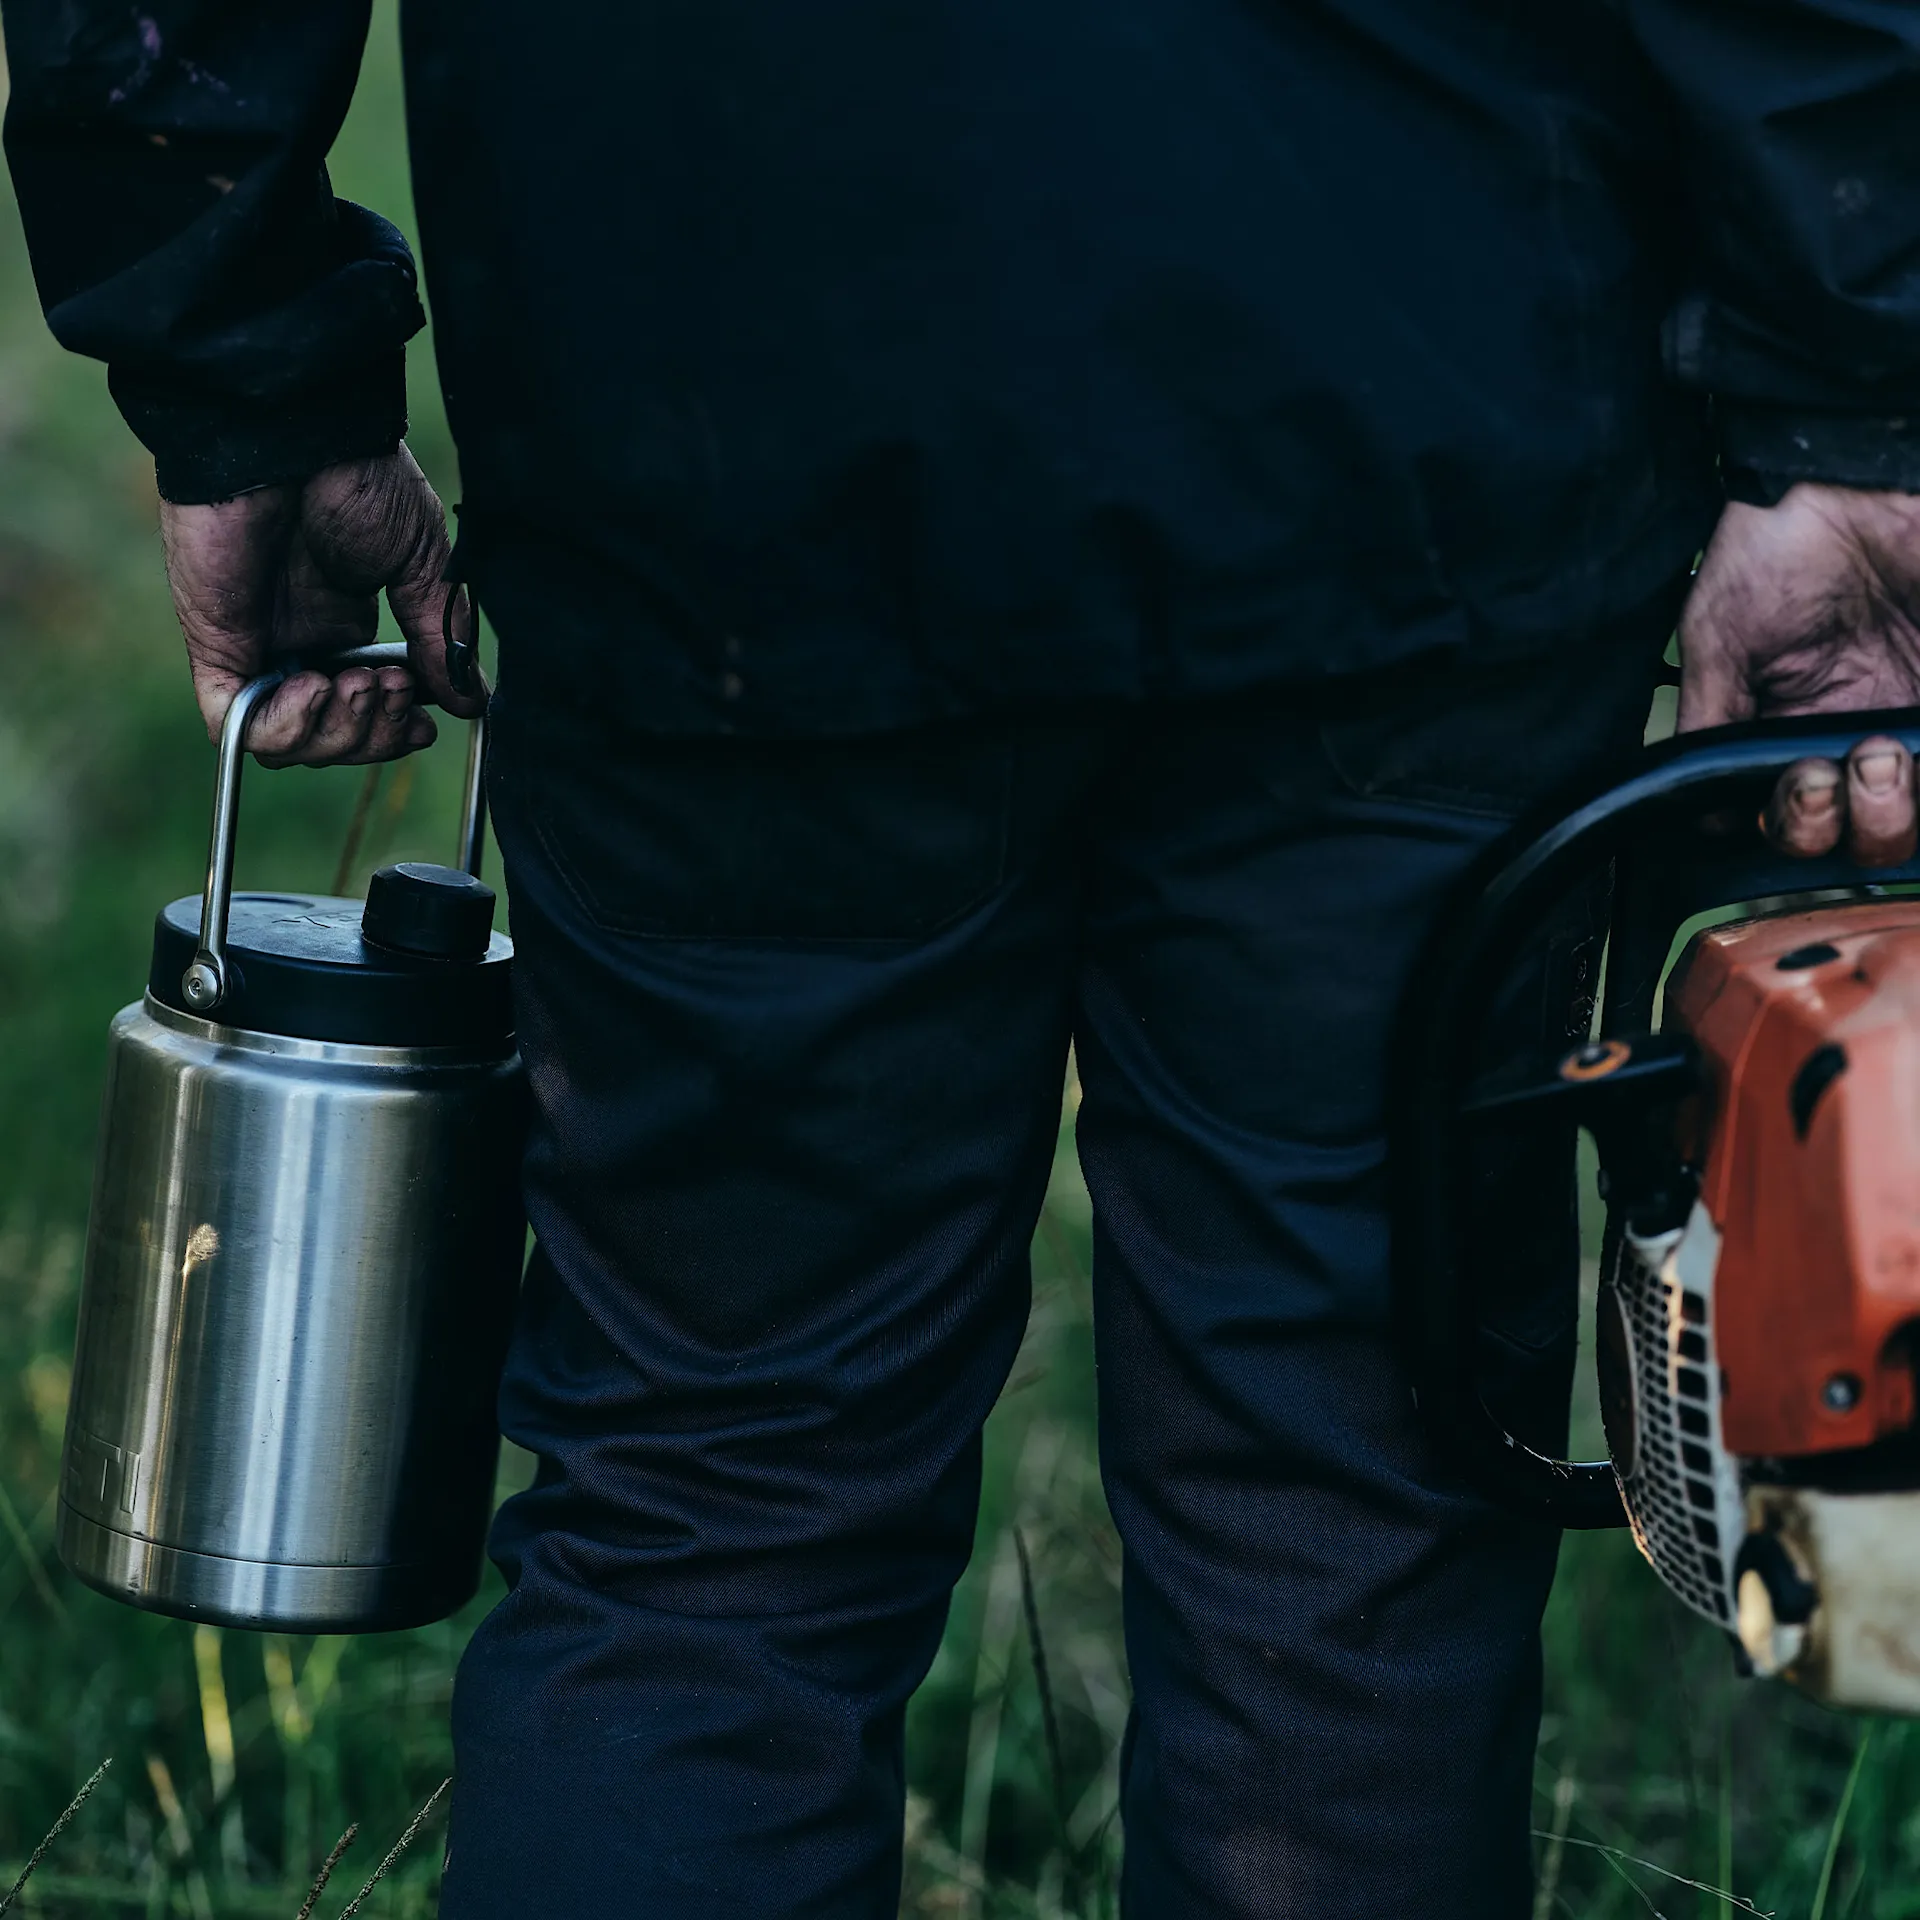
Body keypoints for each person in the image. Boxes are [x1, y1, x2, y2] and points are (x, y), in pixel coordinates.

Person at [4, 2, 1918, 1912]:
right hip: (1423, 390)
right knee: (1345, 1511)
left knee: (713, 1510)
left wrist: (241, 352)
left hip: (713, 403)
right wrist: (1852, 391)